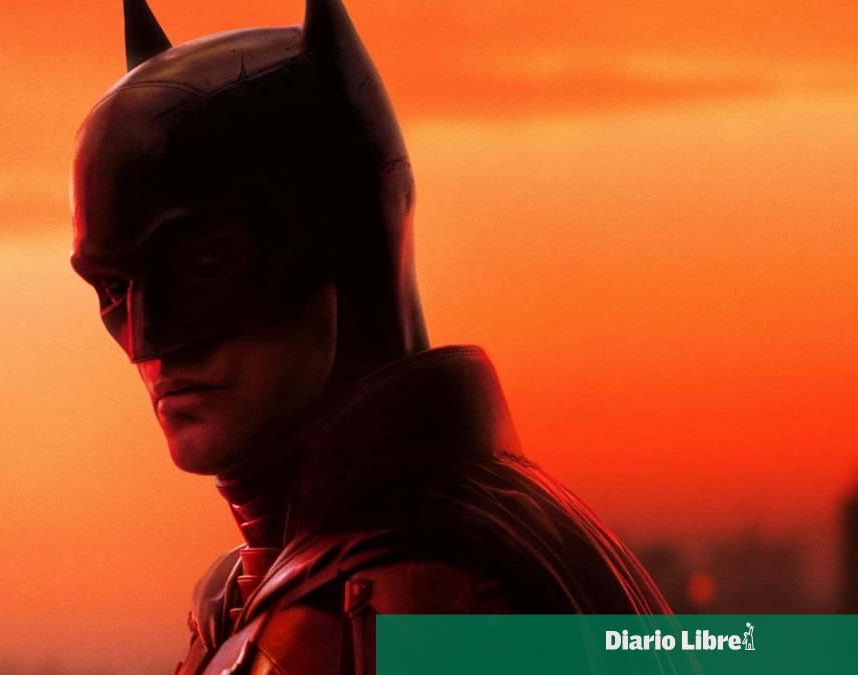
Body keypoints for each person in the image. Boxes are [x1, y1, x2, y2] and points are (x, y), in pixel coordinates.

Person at [70, 1, 670, 672]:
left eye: (207, 263)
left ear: (346, 241)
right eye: (113, 287)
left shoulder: (426, 595)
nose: (148, 341)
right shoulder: (313, 581)